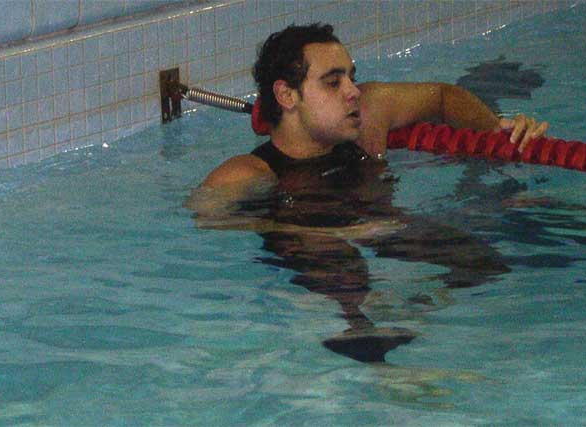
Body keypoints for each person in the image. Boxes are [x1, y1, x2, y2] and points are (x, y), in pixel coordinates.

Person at [188, 23, 550, 363]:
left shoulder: (368, 118)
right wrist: (324, 232)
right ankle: (371, 341)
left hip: (383, 227)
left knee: (483, 263)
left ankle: (409, 317)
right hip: (322, 255)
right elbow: (204, 218)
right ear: (287, 95)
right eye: (333, 82)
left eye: (352, 77)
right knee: (331, 264)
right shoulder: (248, 172)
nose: (353, 91)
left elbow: (442, 97)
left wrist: (497, 131)